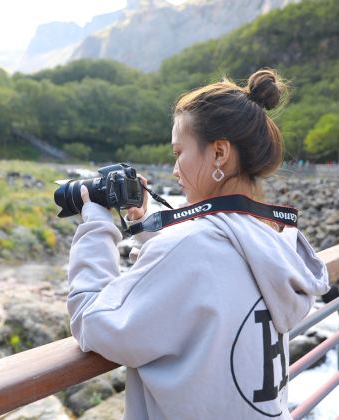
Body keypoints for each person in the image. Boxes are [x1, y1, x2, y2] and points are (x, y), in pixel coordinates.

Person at [66, 69, 330, 419]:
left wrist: (97, 225)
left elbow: (91, 321)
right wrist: (143, 225)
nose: (175, 170)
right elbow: (213, 266)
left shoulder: (190, 249)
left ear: (219, 153)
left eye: (179, 152)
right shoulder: (272, 238)